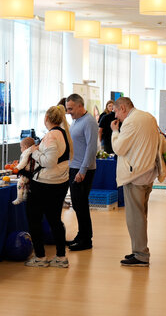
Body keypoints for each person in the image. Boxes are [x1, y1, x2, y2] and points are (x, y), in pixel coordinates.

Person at [110, 97, 159, 267]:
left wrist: (115, 132)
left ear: (122, 108)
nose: (116, 116)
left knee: (135, 216)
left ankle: (140, 254)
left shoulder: (130, 122)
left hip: (135, 175)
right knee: (141, 215)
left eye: (116, 111)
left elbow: (118, 148)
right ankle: (139, 250)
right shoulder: (148, 117)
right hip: (147, 173)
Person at [24, 105, 72, 268]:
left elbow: (49, 162)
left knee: (34, 219)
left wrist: (33, 151)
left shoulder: (51, 136)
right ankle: (60, 257)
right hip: (59, 182)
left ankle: (40, 257)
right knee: (55, 220)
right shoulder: (64, 134)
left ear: (46, 118)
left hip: (45, 184)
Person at [65, 94, 98, 251]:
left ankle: (86, 240)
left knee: (81, 205)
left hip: (82, 169)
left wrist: (83, 170)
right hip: (74, 167)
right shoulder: (76, 120)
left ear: (80, 106)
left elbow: (92, 148)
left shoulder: (89, 121)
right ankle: (81, 235)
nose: (69, 111)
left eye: (71, 108)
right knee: (78, 205)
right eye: (67, 109)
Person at [12, 137, 36, 205]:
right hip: (32, 173)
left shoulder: (26, 152)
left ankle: (19, 198)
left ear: (25, 147)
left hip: (27, 172)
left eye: (21, 147)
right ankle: (25, 196)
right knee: (26, 185)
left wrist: (17, 167)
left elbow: (23, 162)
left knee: (20, 183)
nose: (21, 149)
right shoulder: (33, 151)